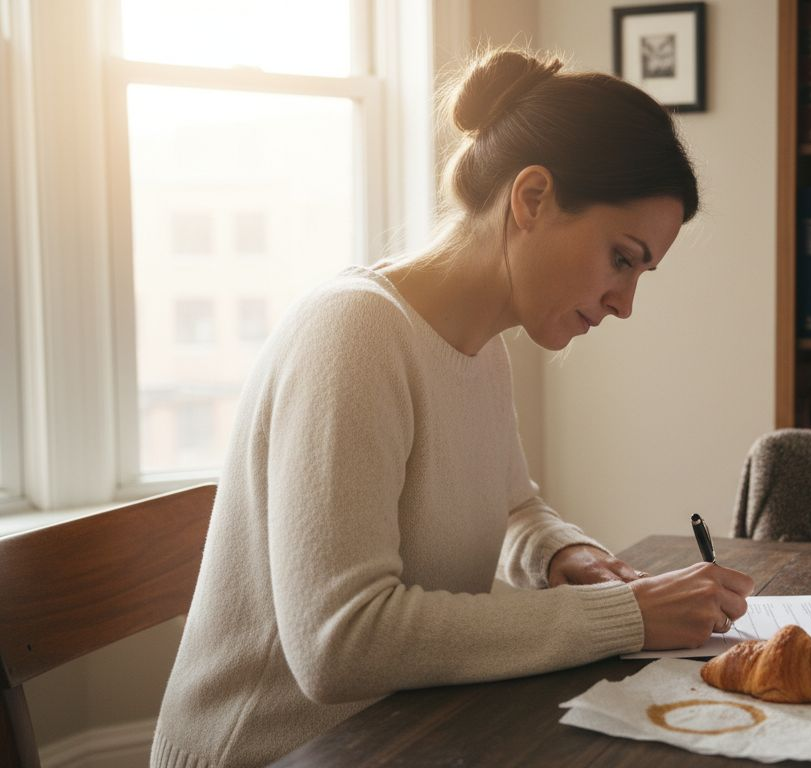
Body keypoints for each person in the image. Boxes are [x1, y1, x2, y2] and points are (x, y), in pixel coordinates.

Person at [150, 48, 754, 768]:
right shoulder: (356, 332)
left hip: (398, 737)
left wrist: (567, 553)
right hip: (273, 753)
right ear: (531, 198)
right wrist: (622, 616)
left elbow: (511, 507)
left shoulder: (478, 351)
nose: (625, 304)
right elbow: (341, 643)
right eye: (622, 259)